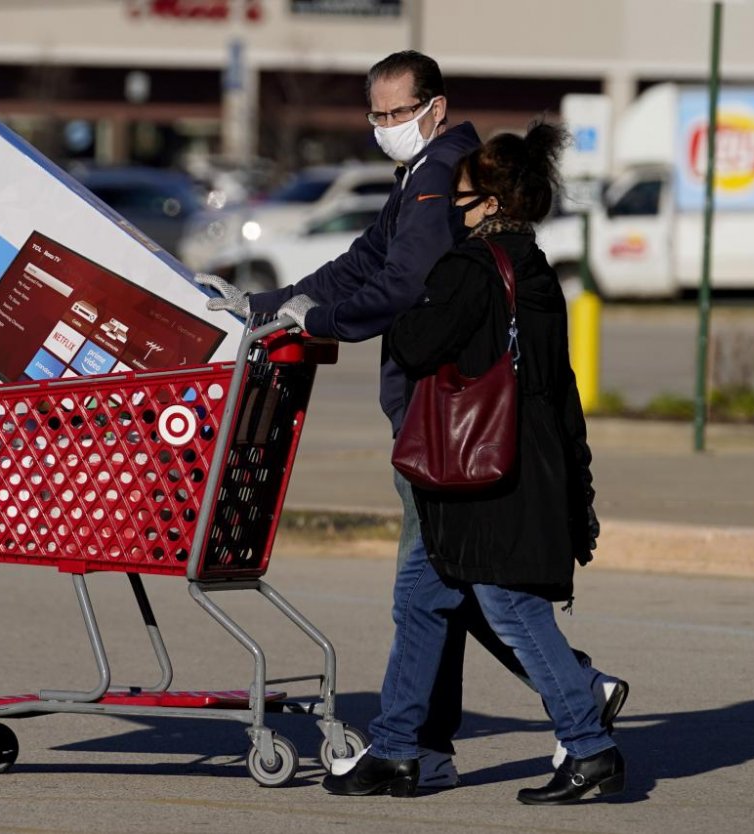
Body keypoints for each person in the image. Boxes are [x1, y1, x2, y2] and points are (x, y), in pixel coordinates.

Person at [197, 50, 626, 789]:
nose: (388, 127)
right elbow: (369, 260)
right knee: (432, 594)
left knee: (489, 597)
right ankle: (409, 744)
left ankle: (577, 723)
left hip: (458, 445)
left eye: (399, 112)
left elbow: (405, 298)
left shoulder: (446, 197)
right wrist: (274, 306)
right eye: (379, 114)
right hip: (475, 442)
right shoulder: (515, 255)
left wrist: (319, 318)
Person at [325, 121, 627, 805]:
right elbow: (561, 386)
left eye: (461, 197)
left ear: (489, 203)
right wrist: (579, 486)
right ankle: (399, 748)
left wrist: (415, 283)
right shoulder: (535, 268)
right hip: (525, 463)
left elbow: (415, 341)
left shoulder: (467, 271)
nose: (452, 208)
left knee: (510, 606)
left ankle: (589, 743)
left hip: (472, 475)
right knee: (423, 599)